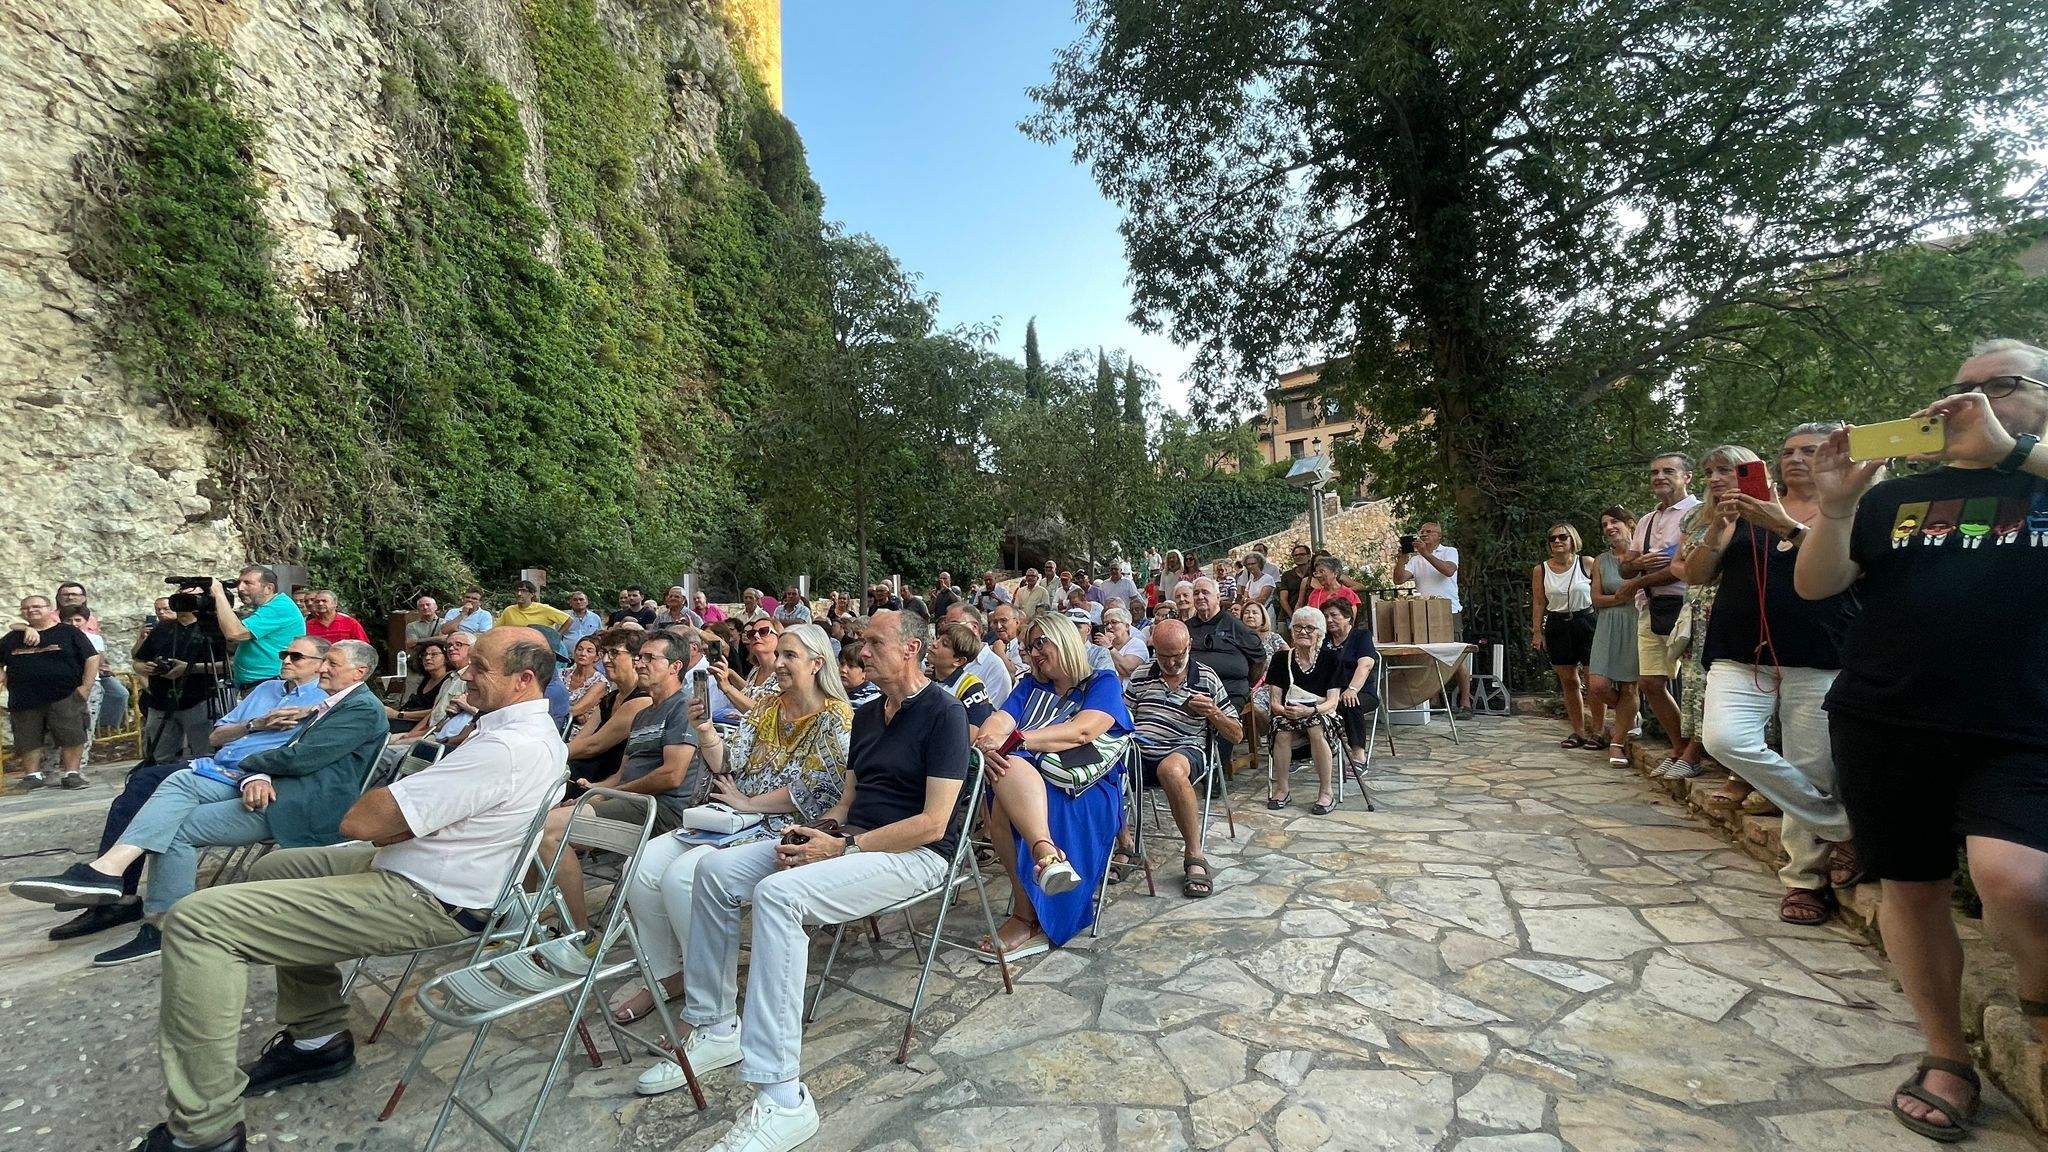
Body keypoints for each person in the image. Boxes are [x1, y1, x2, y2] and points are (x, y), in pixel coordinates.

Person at [109, 627, 563, 1152]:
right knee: (276, 869)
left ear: (523, 680)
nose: (465, 675)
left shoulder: (507, 746)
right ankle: (317, 1038)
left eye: (479, 667)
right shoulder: (519, 731)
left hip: (430, 896)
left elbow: (363, 820)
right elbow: (388, 817)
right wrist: (402, 818)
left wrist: (398, 816)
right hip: (421, 863)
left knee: (198, 921)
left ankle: (203, 1129)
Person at [1793, 340, 2048, 1142]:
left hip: (2024, 724)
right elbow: (1817, 585)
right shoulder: (1895, 498)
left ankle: (2042, 1021)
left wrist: (2014, 452)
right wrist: (1836, 507)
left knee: (2017, 881)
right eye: (1958, 389)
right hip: (1886, 719)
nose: (1964, 402)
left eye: (1999, 386)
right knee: (1910, 887)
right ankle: (1947, 1054)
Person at [673, 610, 968, 1151]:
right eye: (861, 641)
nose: (861, 650)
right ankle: (716, 1025)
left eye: (874, 642)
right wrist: (819, 831)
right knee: (714, 871)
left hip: (916, 854)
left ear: (912, 648)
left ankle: (783, 1097)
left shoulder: (944, 713)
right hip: (851, 840)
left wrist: (844, 846)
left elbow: (934, 823)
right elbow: (848, 800)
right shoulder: (869, 713)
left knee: (778, 896)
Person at [13, 639, 384, 968]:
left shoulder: (361, 709)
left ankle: (163, 925)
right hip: (273, 784)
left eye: (331, 663)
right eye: (324, 661)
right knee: (179, 780)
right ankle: (109, 868)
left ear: (359, 672)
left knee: (176, 828)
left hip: (301, 803)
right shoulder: (335, 702)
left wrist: (253, 769)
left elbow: (300, 758)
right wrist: (257, 769)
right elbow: (288, 752)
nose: (323, 668)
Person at [611, 625, 852, 1053]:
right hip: (736, 817)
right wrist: (704, 730)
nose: (778, 663)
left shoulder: (837, 717)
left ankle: (710, 1002)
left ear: (818, 664)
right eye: (779, 654)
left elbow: (823, 789)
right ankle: (669, 974)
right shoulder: (767, 706)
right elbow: (729, 760)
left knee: (682, 878)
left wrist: (751, 803)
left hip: (787, 826)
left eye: (790, 656)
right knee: (640, 867)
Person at [1687, 428, 1859, 929]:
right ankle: (1845, 827)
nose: (1795, 458)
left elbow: (1856, 570)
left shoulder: (1849, 508)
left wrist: (1785, 526)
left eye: (1809, 450)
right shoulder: (1743, 508)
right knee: (1723, 739)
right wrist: (1719, 529)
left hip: (1820, 653)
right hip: (1741, 653)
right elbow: (1695, 575)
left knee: (1812, 767)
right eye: (1787, 452)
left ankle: (1804, 880)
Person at [972, 611, 1129, 959]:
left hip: (1085, 786)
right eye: (1030, 646)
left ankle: (1025, 916)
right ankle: (1046, 857)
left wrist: (1017, 741)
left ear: (1065, 638)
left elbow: (1083, 731)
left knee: (1004, 783)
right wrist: (988, 742)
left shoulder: (1101, 682)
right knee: (1003, 773)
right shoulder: (1030, 686)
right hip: (1025, 779)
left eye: (1041, 642)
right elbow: (998, 720)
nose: (1035, 652)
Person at [544, 629, 700, 932]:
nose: (640, 663)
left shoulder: (683, 708)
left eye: (650, 658)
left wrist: (612, 794)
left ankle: (579, 932)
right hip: (631, 803)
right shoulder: (644, 715)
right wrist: (594, 792)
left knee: (549, 831)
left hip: (659, 811)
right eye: (640, 657)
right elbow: (620, 775)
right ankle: (528, 912)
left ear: (675, 667)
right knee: (543, 819)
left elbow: (671, 775)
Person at [1120, 620, 1240, 898]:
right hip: (1140, 749)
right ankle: (1126, 844)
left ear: (1189, 647)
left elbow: (1236, 734)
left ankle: (1194, 854)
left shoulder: (1206, 678)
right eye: (1163, 656)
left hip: (1185, 749)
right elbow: (1123, 717)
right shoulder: (1141, 674)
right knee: (1105, 768)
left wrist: (1213, 713)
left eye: (1177, 655)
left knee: (1171, 769)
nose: (1171, 663)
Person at [1625, 455, 1702, 772]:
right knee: (1650, 682)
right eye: (1654, 472)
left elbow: (1683, 568)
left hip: (1689, 607)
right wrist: (1638, 565)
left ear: (1688, 476)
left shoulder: (1699, 514)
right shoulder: (1646, 520)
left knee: (1697, 685)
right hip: (1651, 607)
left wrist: (1637, 580)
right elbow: (1625, 566)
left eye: (1668, 471)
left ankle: (1693, 754)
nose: (1659, 476)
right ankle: (1679, 747)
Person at [3, 594, 100, 791]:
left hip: (64, 694)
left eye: (37, 606)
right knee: (27, 737)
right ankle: (32, 775)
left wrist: (85, 687)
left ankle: (72, 774)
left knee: (72, 735)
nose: (31, 610)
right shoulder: (11, 638)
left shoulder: (68, 632)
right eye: (26, 608)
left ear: (49, 609)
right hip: (24, 698)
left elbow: (91, 657)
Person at [1266, 607, 1345, 814]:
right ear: (1291, 631)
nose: (1303, 631)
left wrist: (1309, 711)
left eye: (1310, 628)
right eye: (1298, 627)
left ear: (1320, 633)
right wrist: (1286, 711)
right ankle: (1282, 789)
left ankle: (1326, 792)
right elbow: (1274, 703)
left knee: (1315, 727)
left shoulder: (1331, 659)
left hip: (1321, 714)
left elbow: (1332, 703)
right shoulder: (1280, 659)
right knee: (1281, 730)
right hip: (1288, 714)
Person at [131, 593, 226, 763]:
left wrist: (189, 668)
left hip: (199, 701)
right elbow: (138, 661)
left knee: (205, 755)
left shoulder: (213, 629)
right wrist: (146, 668)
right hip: (160, 702)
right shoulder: (162, 628)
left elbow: (229, 665)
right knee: (161, 758)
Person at [1530, 523, 1599, 749]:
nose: (1557, 541)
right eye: (1553, 539)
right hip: (1558, 624)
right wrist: (1537, 631)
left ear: (1572, 540)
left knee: (1594, 680)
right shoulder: (1541, 570)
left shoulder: (1587, 563)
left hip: (1586, 621)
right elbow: (1539, 602)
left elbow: (1600, 593)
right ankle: (1578, 731)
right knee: (1569, 680)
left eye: (1563, 537)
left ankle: (1598, 731)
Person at [1586, 507, 1642, 768]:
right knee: (1597, 685)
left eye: (1614, 522)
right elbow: (1596, 599)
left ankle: (1616, 744)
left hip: (1635, 621)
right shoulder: (1601, 560)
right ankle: (1630, 715)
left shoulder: (1643, 555)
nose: (1609, 527)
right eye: (1604, 524)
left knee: (1630, 686)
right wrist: (1620, 597)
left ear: (1630, 524)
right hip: (1607, 623)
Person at [192, 567, 306, 695]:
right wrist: (191, 668)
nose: (240, 588)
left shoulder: (279, 607)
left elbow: (234, 633)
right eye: (239, 583)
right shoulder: (266, 608)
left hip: (269, 687)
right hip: (256, 685)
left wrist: (219, 594)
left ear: (269, 588)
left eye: (248, 583)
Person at [1184, 576, 1266, 717]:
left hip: (1229, 693)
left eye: (1205, 592)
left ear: (1217, 597)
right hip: (1191, 692)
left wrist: (1247, 683)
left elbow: (1259, 658)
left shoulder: (1235, 626)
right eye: (1196, 593)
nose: (1200, 596)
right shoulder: (1186, 627)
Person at [1322, 599, 1379, 765]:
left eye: (1334, 615)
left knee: (1350, 702)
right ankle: (1301, 752)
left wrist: (1352, 689)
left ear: (1347, 617)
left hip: (1360, 691)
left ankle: (1358, 756)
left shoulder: (1361, 636)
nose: (1329, 620)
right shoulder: (1323, 639)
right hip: (1329, 692)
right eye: (1326, 616)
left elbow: (1366, 664)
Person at [927, 621, 996, 733]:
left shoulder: (973, 687)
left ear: (959, 661)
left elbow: (972, 735)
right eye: (938, 638)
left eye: (945, 644)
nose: (934, 644)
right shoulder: (926, 678)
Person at [712, 616, 782, 721]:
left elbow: (766, 713)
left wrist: (727, 687)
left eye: (763, 632)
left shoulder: (782, 672)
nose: (756, 636)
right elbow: (749, 692)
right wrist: (729, 673)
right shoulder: (756, 670)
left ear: (779, 637)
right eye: (751, 634)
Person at [384, 638, 450, 735]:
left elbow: (438, 711)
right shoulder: (427, 678)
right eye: (424, 655)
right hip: (408, 720)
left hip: (421, 727)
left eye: (434, 654)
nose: (427, 658)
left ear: (446, 658)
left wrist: (398, 714)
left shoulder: (449, 679)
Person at [562, 635, 610, 733]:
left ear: (597, 657)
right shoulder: (562, 673)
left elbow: (575, 710)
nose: (583, 654)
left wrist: (577, 712)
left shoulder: (600, 683)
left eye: (589, 651)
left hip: (578, 733)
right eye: (579, 649)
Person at [497, 579, 570, 630]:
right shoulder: (509, 611)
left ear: (532, 594)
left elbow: (568, 620)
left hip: (539, 646)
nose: (519, 594)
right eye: (517, 591)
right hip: (516, 646)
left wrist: (557, 636)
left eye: (523, 591)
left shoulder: (544, 609)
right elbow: (497, 629)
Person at [302, 590, 369, 645]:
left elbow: (363, 646)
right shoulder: (308, 625)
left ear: (335, 603)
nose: (320, 604)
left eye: (324, 601)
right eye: (317, 602)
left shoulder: (350, 623)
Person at [1102, 606, 1149, 679]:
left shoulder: (1137, 644)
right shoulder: (1103, 645)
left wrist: (1110, 648)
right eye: (1106, 624)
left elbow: (1129, 670)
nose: (1109, 627)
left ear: (1126, 626)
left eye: (1114, 622)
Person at [837, 637, 881, 708]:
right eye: (842, 664)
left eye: (851, 666)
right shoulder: (833, 690)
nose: (843, 670)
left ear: (865, 672)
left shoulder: (870, 699)